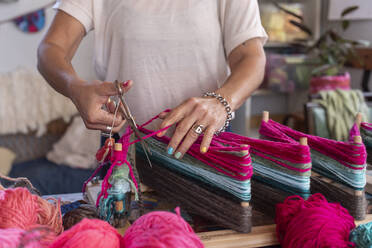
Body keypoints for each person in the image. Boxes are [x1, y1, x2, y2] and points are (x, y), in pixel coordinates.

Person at [37, 0, 267, 160]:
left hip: (206, 147)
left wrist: (220, 102)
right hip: (124, 152)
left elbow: (251, 58)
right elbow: (51, 48)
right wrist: (76, 88)